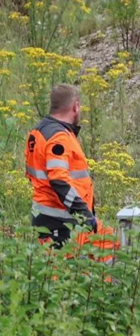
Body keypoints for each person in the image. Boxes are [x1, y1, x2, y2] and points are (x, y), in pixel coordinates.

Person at [24, 84, 97, 246]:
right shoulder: (59, 138)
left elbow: (33, 176)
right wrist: (83, 214)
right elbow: (59, 180)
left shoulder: (37, 132)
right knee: (63, 269)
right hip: (61, 222)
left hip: (44, 216)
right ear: (76, 106)